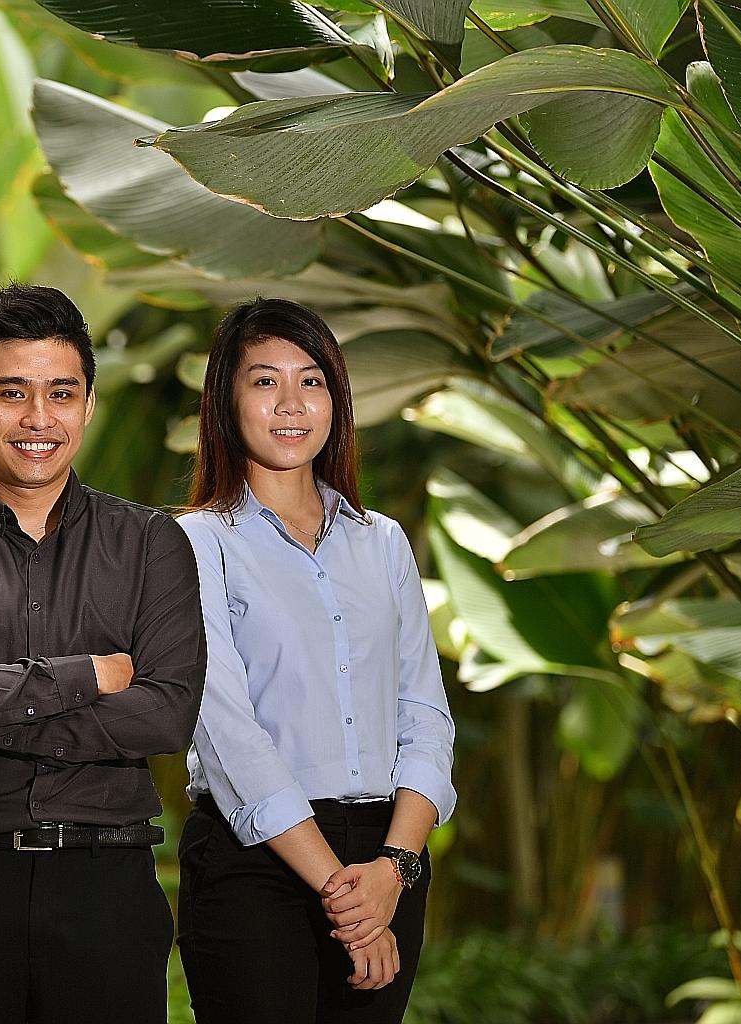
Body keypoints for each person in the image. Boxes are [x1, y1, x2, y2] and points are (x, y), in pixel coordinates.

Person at [0, 283, 206, 1024]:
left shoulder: (152, 544)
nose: (38, 419)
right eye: (11, 393)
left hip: (106, 890)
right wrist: (89, 674)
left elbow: (166, 716)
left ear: (88, 403)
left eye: (61, 393)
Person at [175, 298, 456, 1023]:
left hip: (387, 860)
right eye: (265, 382)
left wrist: (394, 869)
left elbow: (426, 720)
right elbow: (229, 735)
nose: (292, 403)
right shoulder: (195, 545)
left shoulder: (383, 542)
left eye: (313, 380)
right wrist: (344, 893)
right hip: (255, 862)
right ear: (225, 401)